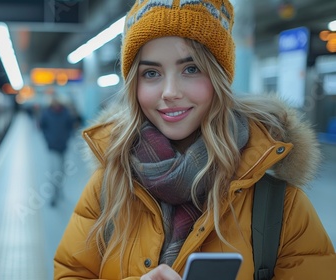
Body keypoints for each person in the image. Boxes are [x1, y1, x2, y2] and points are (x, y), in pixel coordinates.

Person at [54, 0, 336, 279]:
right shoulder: (108, 186)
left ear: (219, 78)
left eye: (191, 69)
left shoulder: (278, 203)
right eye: (151, 73)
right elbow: (71, 272)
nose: (170, 92)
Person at [39, 95, 75, 207]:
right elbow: (41, 126)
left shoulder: (65, 113)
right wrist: (48, 139)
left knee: (62, 171)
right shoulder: (46, 113)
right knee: (55, 172)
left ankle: (60, 192)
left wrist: (67, 137)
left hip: (63, 147)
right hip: (53, 147)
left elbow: (71, 126)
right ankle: (53, 196)